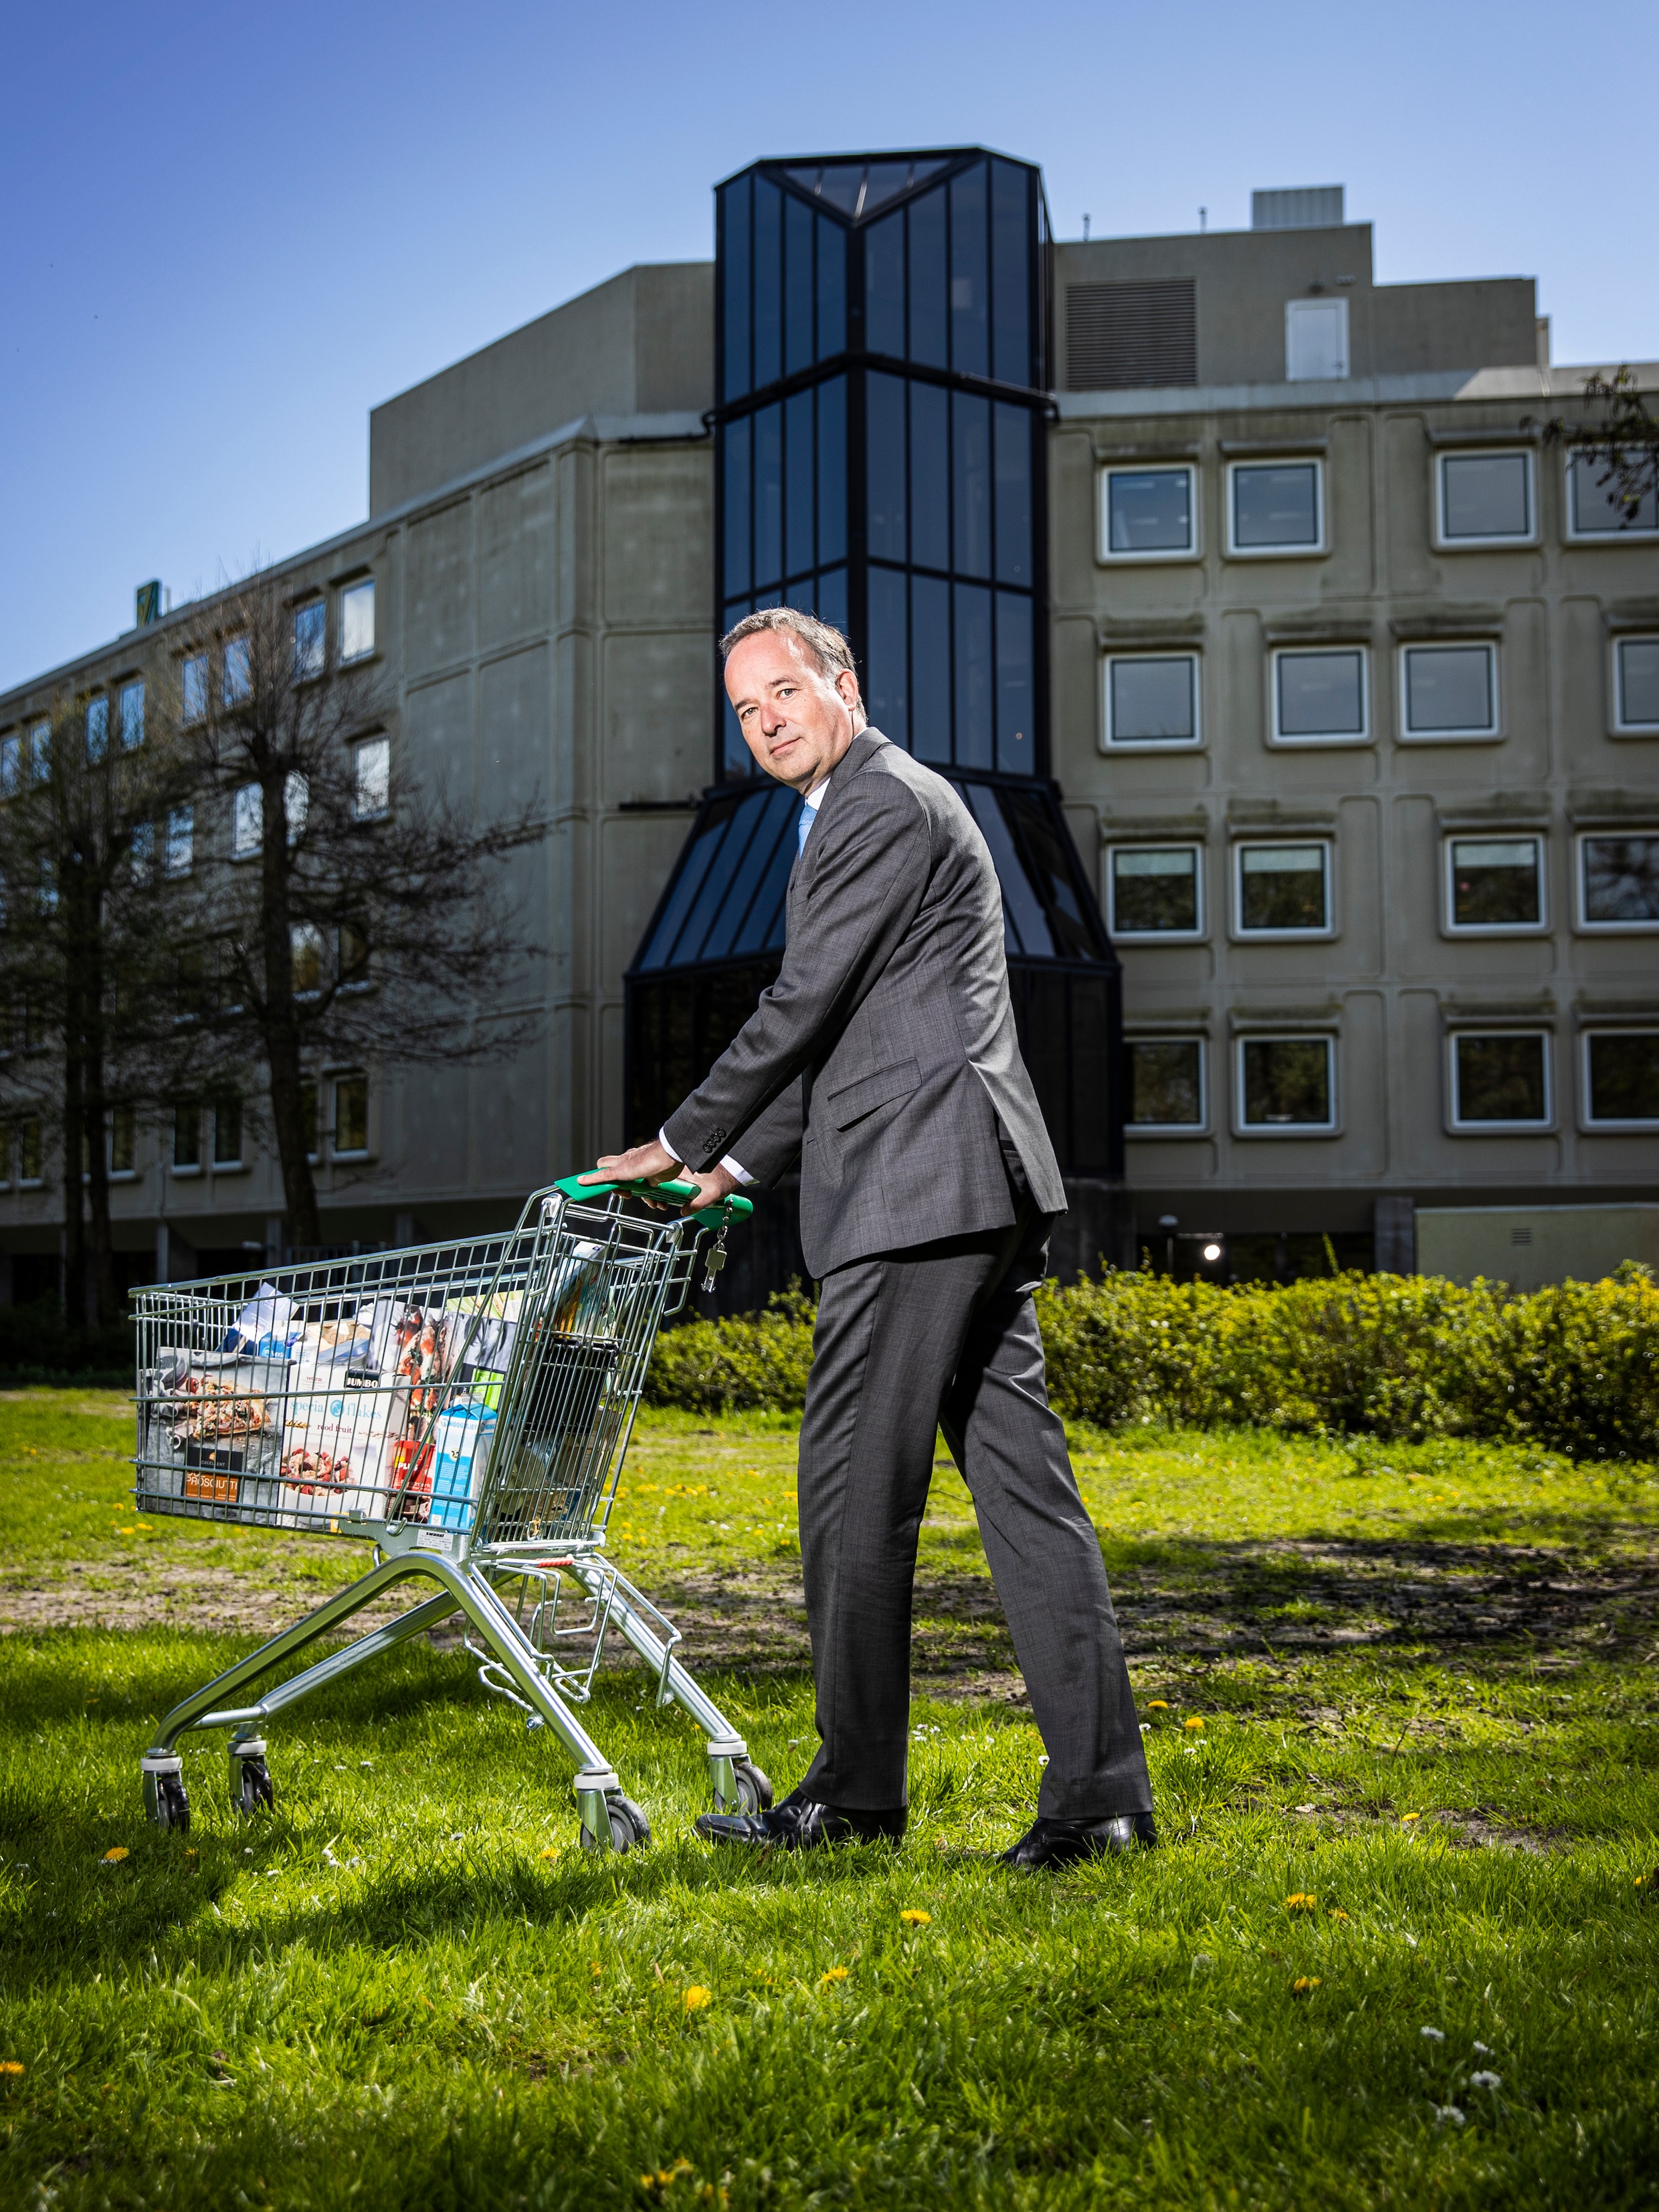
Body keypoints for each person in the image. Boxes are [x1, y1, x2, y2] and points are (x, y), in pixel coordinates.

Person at [584, 608, 1153, 1868]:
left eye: (786, 691)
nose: (769, 719)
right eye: (746, 708)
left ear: (846, 681)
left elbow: (795, 1007)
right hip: (967, 1185)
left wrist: (677, 1138)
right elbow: (843, 1022)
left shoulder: (879, 803)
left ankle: (855, 1794)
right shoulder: (867, 807)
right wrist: (732, 1163)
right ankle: (1102, 1802)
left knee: (849, 1487)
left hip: (916, 1191)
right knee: (1026, 1500)